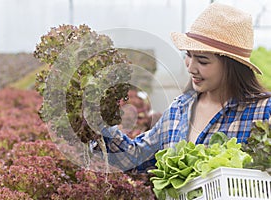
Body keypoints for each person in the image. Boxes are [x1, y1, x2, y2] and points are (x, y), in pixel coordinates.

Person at [99, 2, 271, 173]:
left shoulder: (263, 112)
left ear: (231, 66)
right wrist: (98, 125)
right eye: (188, 55)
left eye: (202, 61)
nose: (190, 67)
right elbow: (136, 157)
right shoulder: (179, 109)